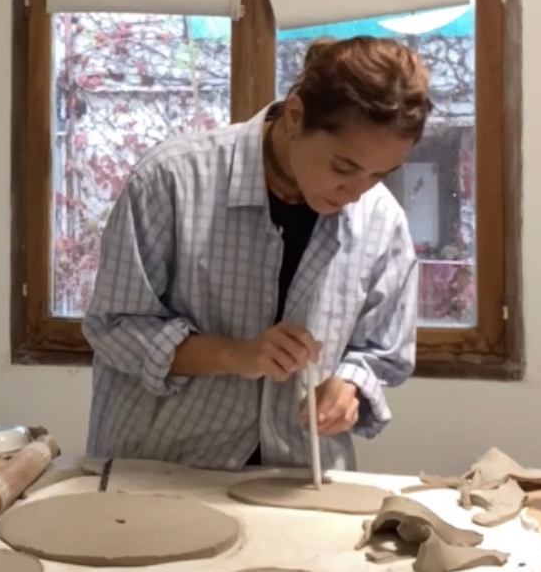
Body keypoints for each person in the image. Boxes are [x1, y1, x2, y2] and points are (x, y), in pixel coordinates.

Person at [83, 36, 433, 471]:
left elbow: (383, 351)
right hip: (162, 471)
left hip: (295, 475)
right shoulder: (171, 181)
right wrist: (234, 355)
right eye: (343, 167)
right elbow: (114, 327)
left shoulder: (381, 218)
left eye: (379, 174)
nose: (356, 192)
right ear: (296, 115)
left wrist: (350, 385)